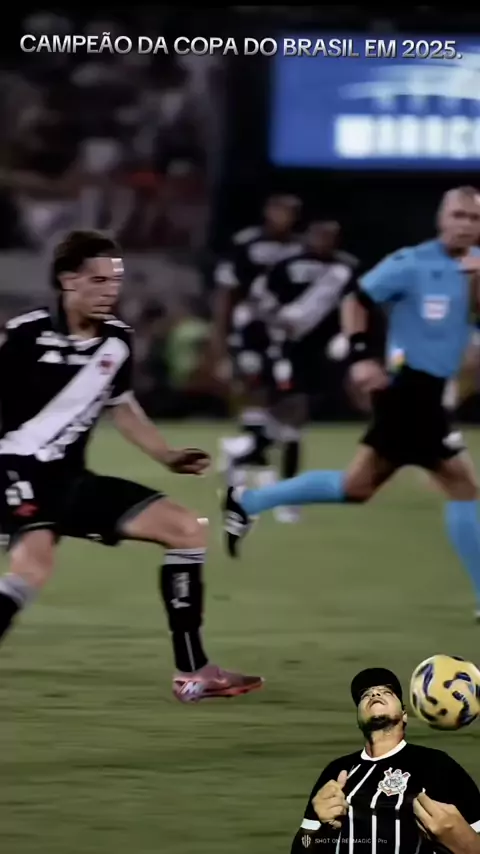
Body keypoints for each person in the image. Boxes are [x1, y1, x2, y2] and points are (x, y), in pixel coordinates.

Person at [0, 229, 262, 703]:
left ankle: (193, 672)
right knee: (32, 567)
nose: (110, 291)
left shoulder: (118, 340)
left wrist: (166, 455)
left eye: (115, 281)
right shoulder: (24, 335)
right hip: (14, 472)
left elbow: (121, 406)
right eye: (99, 280)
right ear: (68, 280)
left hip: (70, 481)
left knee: (187, 529)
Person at [222, 186, 480, 619]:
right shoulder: (411, 262)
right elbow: (356, 299)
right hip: (408, 391)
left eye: (474, 218)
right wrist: (360, 355)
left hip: (429, 393)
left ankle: (248, 502)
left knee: (356, 487)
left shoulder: (474, 267)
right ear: (441, 218)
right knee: (462, 486)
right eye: (458, 215)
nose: (465, 225)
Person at [291, 667, 480, 853]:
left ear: (404, 715)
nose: (374, 694)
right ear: (358, 720)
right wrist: (321, 829)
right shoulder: (337, 771)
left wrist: (465, 844)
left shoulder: (437, 765)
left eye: (387, 692)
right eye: (365, 695)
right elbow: (302, 848)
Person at [249, 220, 358, 522]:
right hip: (287, 350)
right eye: (320, 235)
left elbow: (357, 305)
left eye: (331, 236)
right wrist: (277, 323)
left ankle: (249, 449)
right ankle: (286, 493)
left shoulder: (345, 269)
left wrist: (347, 336)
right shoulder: (287, 266)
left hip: (323, 353)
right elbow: (261, 299)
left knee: (294, 417)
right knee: (293, 416)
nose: (325, 241)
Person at [213, 194, 302, 492]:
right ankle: (255, 461)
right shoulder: (247, 243)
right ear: (268, 211)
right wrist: (220, 338)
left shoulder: (300, 248)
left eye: (291, 212)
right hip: (251, 328)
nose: (285, 217)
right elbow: (227, 291)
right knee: (255, 389)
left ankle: (242, 449)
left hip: (286, 331)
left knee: (286, 399)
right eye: (281, 210)